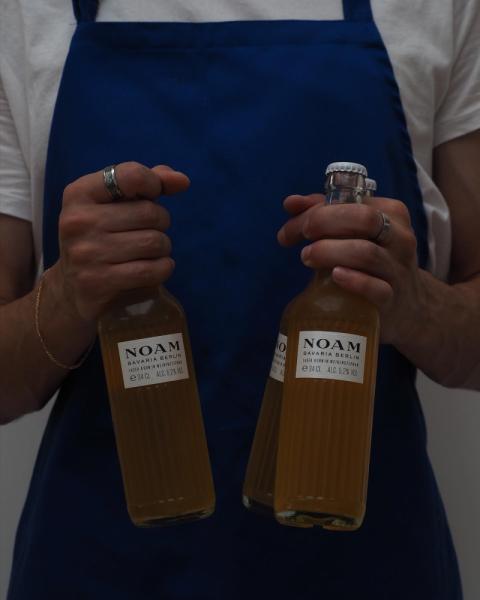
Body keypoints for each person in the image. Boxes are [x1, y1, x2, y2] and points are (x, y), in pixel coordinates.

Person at [1, 0, 479, 598]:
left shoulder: (436, 8)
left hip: (369, 564)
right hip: (98, 565)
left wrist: (415, 304)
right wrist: (67, 297)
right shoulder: (25, 15)